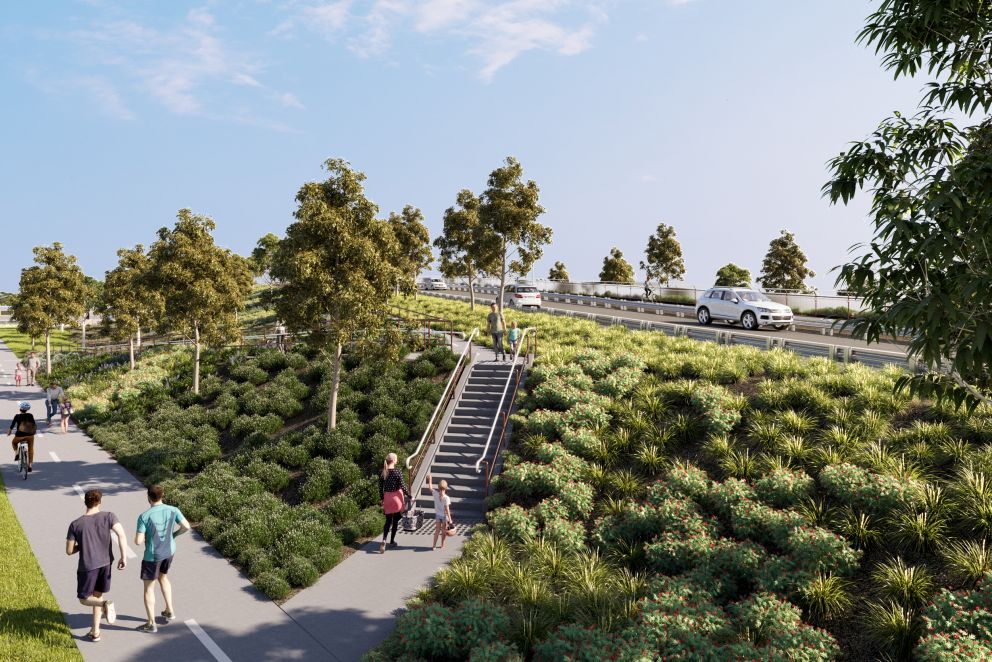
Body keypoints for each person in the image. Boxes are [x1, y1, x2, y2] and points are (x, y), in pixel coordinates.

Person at [66, 489, 127, 642]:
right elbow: (121, 534)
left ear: (85, 502)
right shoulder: (109, 516)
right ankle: (96, 631)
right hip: (106, 563)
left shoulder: (75, 524)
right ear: (100, 501)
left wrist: (82, 545)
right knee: (97, 595)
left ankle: (105, 604)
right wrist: (123, 557)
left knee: (84, 598)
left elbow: (69, 550)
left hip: (88, 566)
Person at [134, 484, 190, 633]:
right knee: (163, 578)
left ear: (148, 497)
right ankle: (169, 610)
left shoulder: (144, 516)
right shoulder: (173, 510)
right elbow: (186, 526)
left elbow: (138, 541)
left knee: (148, 588)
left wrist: (144, 536)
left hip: (152, 556)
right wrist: (174, 535)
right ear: (162, 495)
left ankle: (151, 624)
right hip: (169, 551)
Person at [379, 452, 410, 554]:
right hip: (396, 498)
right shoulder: (397, 472)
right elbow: (403, 486)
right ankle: (391, 542)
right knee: (396, 519)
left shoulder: (383, 472)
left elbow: (380, 487)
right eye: (396, 459)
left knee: (388, 520)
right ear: (393, 460)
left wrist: (381, 498)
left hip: (387, 497)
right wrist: (410, 496)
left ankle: (384, 539)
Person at [8, 401, 36, 472]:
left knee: (14, 443)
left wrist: (10, 431)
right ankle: (30, 465)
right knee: (30, 449)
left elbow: (12, 425)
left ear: (20, 409)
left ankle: (17, 452)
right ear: (27, 409)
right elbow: (33, 424)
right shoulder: (30, 415)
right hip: (30, 435)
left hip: (19, 435)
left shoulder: (17, 416)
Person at [427, 472, 452, 550]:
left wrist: (430, 479)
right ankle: (442, 545)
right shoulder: (446, 498)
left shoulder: (436, 494)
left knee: (437, 530)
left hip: (438, 515)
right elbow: (447, 509)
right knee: (443, 531)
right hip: (444, 516)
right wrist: (450, 519)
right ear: (446, 488)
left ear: (438, 487)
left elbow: (430, 488)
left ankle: (433, 545)